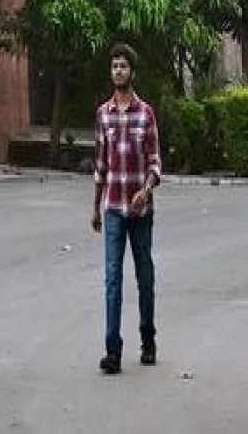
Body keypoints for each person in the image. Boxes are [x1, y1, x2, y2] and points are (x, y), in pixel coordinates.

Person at [91, 42, 161, 374]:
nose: (118, 71)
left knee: (144, 276)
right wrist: (95, 207)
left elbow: (155, 163)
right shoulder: (103, 114)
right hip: (112, 208)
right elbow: (101, 164)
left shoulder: (145, 113)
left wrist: (146, 191)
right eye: (114, 66)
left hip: (139, 211)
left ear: (132, 72)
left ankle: (148, 338)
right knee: (112, 279)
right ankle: (112, 350)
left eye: (123, 66)